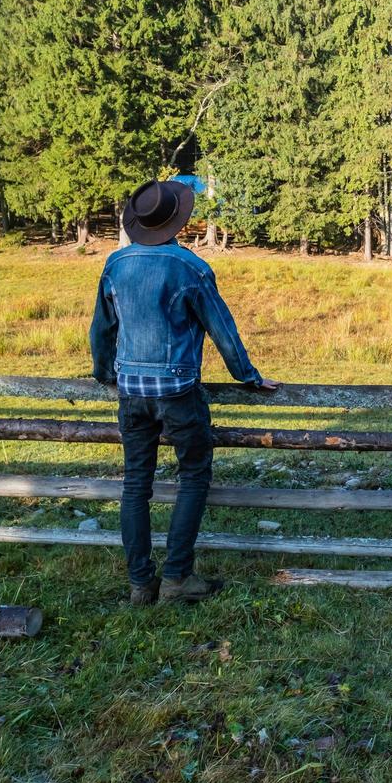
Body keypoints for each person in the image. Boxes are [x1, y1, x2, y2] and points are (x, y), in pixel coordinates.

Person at [89, 178, 278, 605]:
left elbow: (103, 329)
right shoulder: (189, 268)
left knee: (136, 484)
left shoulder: (116, 265)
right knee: (193, 476)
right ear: (178, 221)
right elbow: (221, 329)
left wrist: (105, 372)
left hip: (132, 391)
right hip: (178, 390)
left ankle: (140, 585)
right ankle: (177, 578)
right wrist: (248, 376)